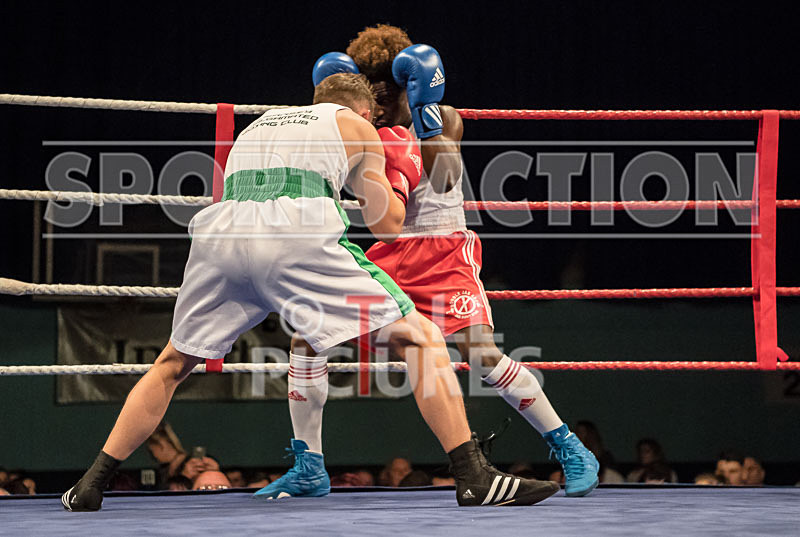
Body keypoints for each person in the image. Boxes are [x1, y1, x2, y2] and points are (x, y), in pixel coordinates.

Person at [62, 73, 558, 511]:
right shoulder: (358, 125)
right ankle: (474, 477)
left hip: (222, 235)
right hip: (295, 233)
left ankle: (90, 484)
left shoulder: (261, 122)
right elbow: (385, 226)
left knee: (171, 365)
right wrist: (400, 169)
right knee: (422, 339)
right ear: (364, 110)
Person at [260, 23, 598, 502]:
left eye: (385, 81)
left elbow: (444, 178)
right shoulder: (362, 125)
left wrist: (425, 116)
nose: (377, 90)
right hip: (388, 253)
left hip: (442, 250)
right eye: (368, 80)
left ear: (407, 79)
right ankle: (309, 465)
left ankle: (570, 449)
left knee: (481, 354)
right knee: (307, 336)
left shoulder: (443, 115)